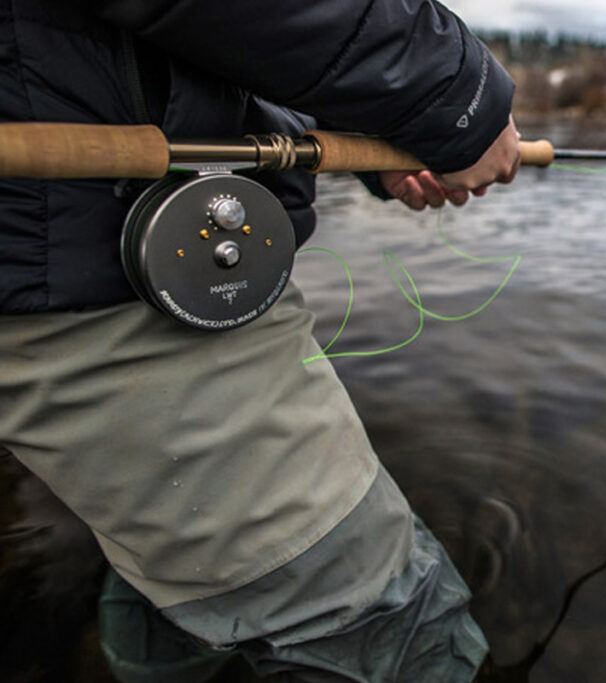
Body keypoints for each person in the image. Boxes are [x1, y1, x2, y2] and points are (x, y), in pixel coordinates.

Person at [0, 0, 519, 680]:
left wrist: (373, 133)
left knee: (164, 553)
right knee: (385, 621)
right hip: (87, 269)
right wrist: (456, 93)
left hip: (62, 250)